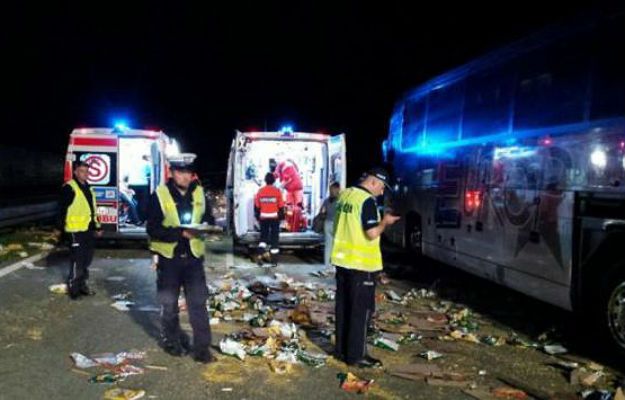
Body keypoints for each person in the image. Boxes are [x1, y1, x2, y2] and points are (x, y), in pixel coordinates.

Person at [146, 153, 213, 363]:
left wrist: (208, 227)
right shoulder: (160, 195)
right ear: (172, 173)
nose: (184, 177)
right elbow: (153, 229)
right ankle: (172, 342)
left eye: (187, 173)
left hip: (193, 259)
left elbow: (208, 218)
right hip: (169, 260)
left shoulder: (200, 193)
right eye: (180, 172)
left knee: (198, 304)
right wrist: (180, 233)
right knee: (169, 305)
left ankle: (202, 349)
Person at [331, 168, 400, 368]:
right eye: (381, 187)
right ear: (373, 182)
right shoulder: (367, 201)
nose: (381, 192)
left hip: (342, 262)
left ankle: (341, 350)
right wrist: (384, 222)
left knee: (343, 308)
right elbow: (371, 233)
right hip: (361, 265)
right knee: (361, 312)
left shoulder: (346, 196)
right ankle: (356, 356)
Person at [54, 161, 103, 300]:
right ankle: (74, 289)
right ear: (75, 172)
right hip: (74, 230)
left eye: (87, 172)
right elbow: (61, 210)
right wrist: (59, 229)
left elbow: (92, 210)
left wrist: (97, 227)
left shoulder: (89, 188)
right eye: (82, 171)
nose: (85, 174)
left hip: (87, 230)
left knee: (87, 260)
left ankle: (83, 286)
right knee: (77, 260)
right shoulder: (69, 188)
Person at [254, 172, 285, 267]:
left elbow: (257, 206)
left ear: (265, 180)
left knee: (263, 238)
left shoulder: (260, 191)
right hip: (274, 218)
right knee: (274, 239)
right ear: (274, 181)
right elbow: (281, 206)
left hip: (263, 218)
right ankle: (274, 261)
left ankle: (260, 256)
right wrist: (281, 217)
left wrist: (258, 216)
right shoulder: (277, 191)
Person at [320, 182, 341, 267]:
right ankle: (334, 266)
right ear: (338, 189)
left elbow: (322, 212)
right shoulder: (341, 200)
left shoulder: (326, 201)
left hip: (327, 223)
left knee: (328, 246)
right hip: (337, 224)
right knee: (336, 246)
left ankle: (326, 266)